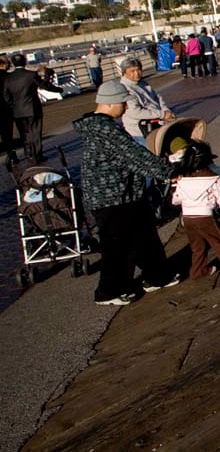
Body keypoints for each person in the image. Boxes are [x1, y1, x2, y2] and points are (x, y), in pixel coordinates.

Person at [73, 80, 180, 306]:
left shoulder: (97, 126)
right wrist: (168, 171)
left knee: (143, 235)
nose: (125, 107)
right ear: (112, 104)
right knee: (117, 246)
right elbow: (133, 156)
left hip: (122, 194)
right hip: (113, 196)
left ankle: (157, 276)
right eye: (123, 103)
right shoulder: (106, 129)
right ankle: (109, 291)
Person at [170, 139, 220, 284]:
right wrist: (218, 205)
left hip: (188, 217)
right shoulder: (213, 178)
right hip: (205, 216)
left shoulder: (183, 179)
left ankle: (198, 271)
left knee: (197, 246)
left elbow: (175, 200)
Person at [3, 52, 62, 164]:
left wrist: (13, 105)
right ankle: (38, 155)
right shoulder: (31, 75)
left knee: (24, 134)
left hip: (18, 111)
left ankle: (29, 154)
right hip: (32, 108)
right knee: (35, 132)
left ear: (13, 63)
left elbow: (7, 96)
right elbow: (44, 86)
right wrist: (58, 89)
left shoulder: (8, 78)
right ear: (25, 62)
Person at [118, 57, 175, 139]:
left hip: (158, 124)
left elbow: (157, 98)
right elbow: (135, 112)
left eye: (138, 70)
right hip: (141, 131)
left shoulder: (142, 83)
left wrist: (166, 111)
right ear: (124, 73)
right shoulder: (124, 89)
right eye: (132, 71)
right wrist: (162, 114)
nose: (137, 73)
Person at [0, 54, 16, 163]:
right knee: (7, 134)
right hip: (5, 108)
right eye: (7, 63)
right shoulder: (7, 76)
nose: (10, 64)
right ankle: (11, 155)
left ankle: (11, 155)